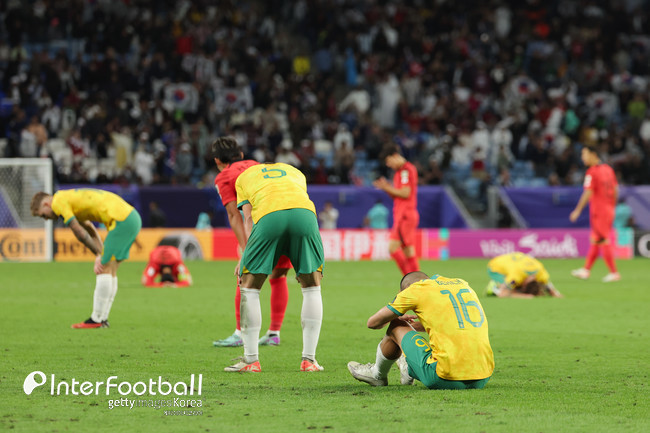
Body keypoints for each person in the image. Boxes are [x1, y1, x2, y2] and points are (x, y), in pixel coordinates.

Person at [225, 161, 325, 373]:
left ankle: (251, 360)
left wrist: (244, 256)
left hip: (270, 216)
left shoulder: (242, 179)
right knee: (311, 287)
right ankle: (309, 361)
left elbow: (249, 217)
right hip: (305, 215)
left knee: (250, 288)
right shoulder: (294, 171)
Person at [347, 271, 494, 389]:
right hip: (483, 376)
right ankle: (407, 365)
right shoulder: (462, 284)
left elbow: (372, 323)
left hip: (444, 377)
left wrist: (396, 316)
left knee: (396, 324)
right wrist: (413, 326)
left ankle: (377, 375)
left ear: (405, 289)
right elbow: (452, 324)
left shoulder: (416, 290)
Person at [211, 136, 291, 348]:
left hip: (262, 226)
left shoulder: (225, 176)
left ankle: (240, 332)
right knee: (278, 276)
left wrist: (245, 250)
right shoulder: (258, 166)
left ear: (217, 161)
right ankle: (274, 333)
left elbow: (234, 215)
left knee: (245, 277)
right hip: (287, 217)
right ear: (242, 155)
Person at [31, 188, 142, 328]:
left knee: (103, 269)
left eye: (43, 215)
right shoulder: (69, 200)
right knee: (111, 270)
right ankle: (103, 319)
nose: (46, 219)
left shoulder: (58, 202)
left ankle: (95, 320)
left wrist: (99, 255)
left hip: (121, 220)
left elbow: (79, 232)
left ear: (46, 204)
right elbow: (90, 228)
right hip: (130, 218)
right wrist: (99, 254)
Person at [569, 145, 620, 282]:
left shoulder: (592, 172)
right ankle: (586, 270)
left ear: (593, 154)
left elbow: (588, 192)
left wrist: (577, 210)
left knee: (603, 239)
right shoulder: (608, 169)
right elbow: (615, 189)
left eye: (584, 154)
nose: (582, 157)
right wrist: (612, 206)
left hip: (599, 211)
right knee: (596, 240)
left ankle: (614, 273)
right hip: (608, 209)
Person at [372, 145, 420, 275]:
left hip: (405, 215)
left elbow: (405, 193)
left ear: (395, 156)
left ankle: (409, 282)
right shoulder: (400, 172)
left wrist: (387, 188)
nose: (388, 165)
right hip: (404, 214)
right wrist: (386, 187)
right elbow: (398, 195)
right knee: (408, 250)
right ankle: (418, 283)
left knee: (393, 248)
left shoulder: (406, 170)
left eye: (389, 161)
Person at [486, 252, 562, 298]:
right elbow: (503, 294)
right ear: (524, 284)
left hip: (512, 261)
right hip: (495, 267)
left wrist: (555, 293)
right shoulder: (515, 278)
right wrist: (524, 296)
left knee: (514, 287)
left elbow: (549, 288)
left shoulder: (541, 275)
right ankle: (493, 288)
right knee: (507, 287)